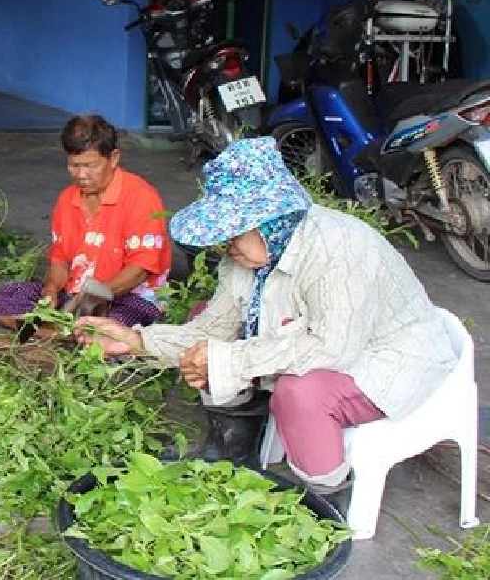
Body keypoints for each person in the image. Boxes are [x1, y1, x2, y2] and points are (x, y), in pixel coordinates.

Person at [75, 137, 457, 493]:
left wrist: (227, 360)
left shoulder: (339, 248)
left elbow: (333, 348)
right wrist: (134, 340)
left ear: (273, 221)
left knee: (299, 393)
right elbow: (213, 328)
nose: (227, 245)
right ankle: (235, 446)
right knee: (210, 333)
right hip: (322, 342)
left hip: (386, 357)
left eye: (235, 232)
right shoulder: (248, 255)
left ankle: (325, 491)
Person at [0, 114, 172, 334]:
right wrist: (50, 291)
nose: (82, 175)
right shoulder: (66, 199)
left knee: (111, 326)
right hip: (76, 293)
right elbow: (60, 260)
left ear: (114, 158)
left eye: (90, 166)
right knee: (6, 298)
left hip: (129, 297)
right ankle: (62, 332)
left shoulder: (141, 198)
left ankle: (53, 332)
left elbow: (140, 270)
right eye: (74, 166)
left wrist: (94, 295)